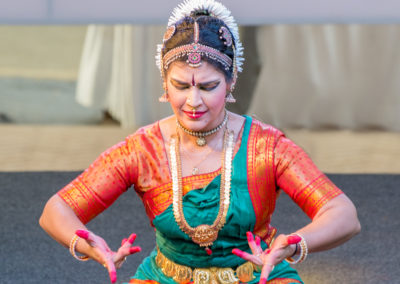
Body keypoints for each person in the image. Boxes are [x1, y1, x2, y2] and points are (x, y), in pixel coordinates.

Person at [39, 0, 361, 283]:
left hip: (257, 276)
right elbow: (56, 210)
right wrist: (84, 242)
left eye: (208, 87)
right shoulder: (143, 150)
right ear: (165, 82)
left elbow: (343, 214)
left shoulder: (265, 147)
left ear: (231, 80)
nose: (193, 101)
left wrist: (294, 244)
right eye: (181, 85)